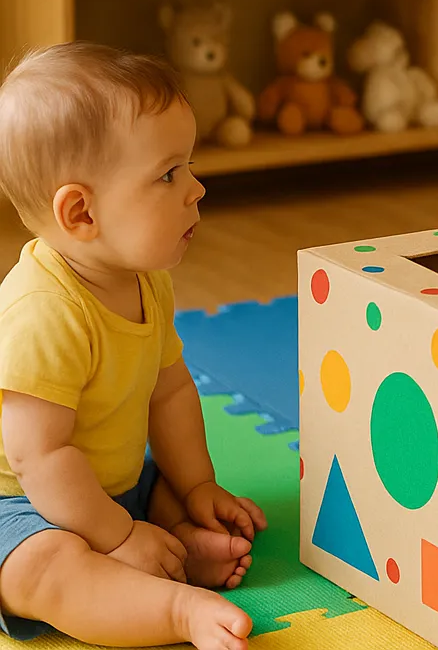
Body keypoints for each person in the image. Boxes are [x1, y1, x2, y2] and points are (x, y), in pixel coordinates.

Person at [0, 43, 265, 650]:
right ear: (81, 212)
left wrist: (197, 486)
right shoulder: (43, 314)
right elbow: (40, 459)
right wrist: (117, 536)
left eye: (189, 167)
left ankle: (171, 546)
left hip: (109, 483)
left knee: (166, 484)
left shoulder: (147, 281)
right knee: (45, 569)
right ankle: (171, 608)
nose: (196, 189)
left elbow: (169, 389)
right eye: (169, 174)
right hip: (20, 503)